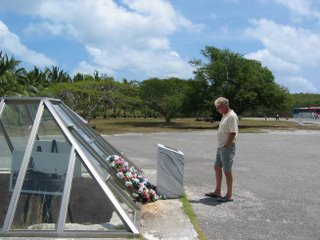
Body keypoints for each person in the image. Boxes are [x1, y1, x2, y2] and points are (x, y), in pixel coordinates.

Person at [205, 97, 239, 202]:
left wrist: (227, 145)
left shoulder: (232, 116)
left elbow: (233, 132)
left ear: (225, 105)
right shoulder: (225, 115)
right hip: (220, 146)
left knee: (227, 171)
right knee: (217, 167)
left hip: (226, 147)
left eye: (218, 107)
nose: (217, 109)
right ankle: (217, 191)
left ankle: (229, 195)